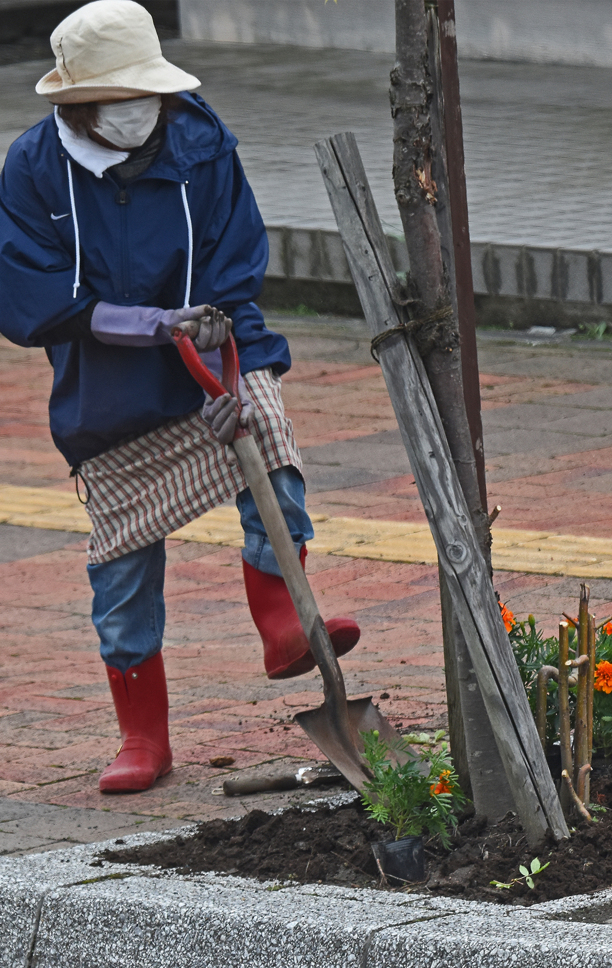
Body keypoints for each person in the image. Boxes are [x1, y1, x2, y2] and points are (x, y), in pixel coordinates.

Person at [0, 0, 360, 794]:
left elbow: (237, 253)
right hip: (106, 381)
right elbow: (31, 296)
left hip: (215, 342)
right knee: (122, 568)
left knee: (270, 446)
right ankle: (143, 737)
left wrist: (220, 352)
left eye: (147, 94)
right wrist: (148, 325)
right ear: (78, 104)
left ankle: (284, 622)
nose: (138, 111)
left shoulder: (200, 139)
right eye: (118, 98)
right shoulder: (33, 167)